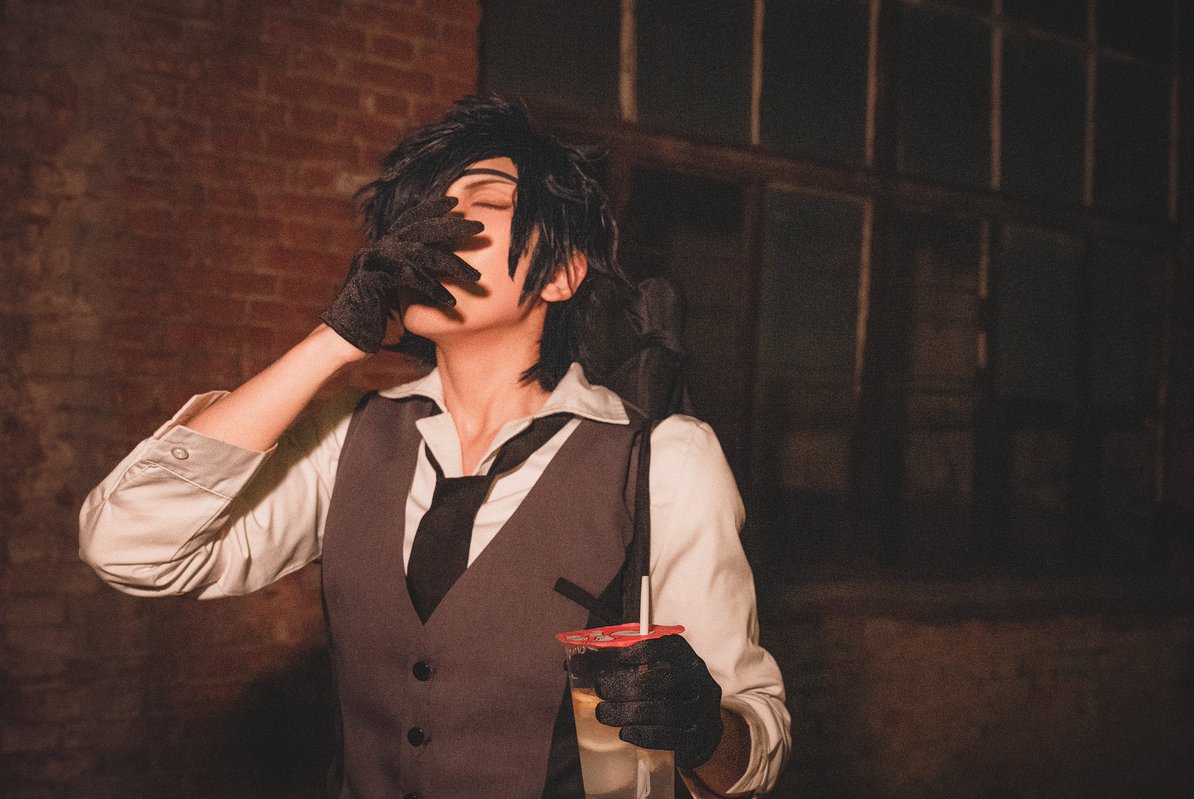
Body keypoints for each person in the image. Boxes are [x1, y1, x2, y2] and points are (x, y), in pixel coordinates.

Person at [79, 96, 790, 798]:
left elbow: (751, 753)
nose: (441, 225)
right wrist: (333, 342)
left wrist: (704, 731)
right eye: (426, 208)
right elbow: (129, 546)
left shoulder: (664, 461)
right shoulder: (346, 439)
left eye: (485, 200)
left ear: (562, 273)